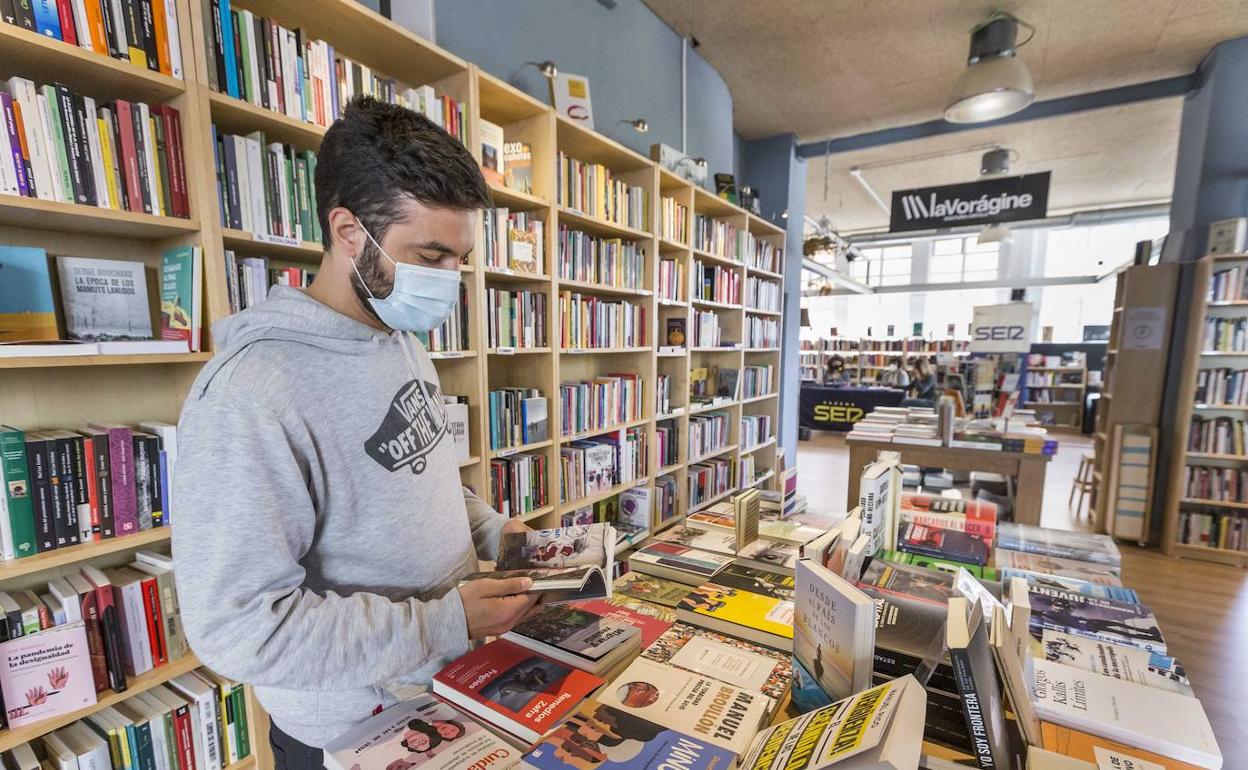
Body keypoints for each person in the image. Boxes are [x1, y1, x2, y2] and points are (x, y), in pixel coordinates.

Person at [171, 97, 542, 767]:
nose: (449, 280)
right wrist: (446, 622)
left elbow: (419, 476)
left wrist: (495, 531)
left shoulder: (397, 336)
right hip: (351, 733)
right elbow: (237, 628)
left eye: (459, 257)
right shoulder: (251, 393)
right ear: (348, 231)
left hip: (446, 692)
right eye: (430, 255)